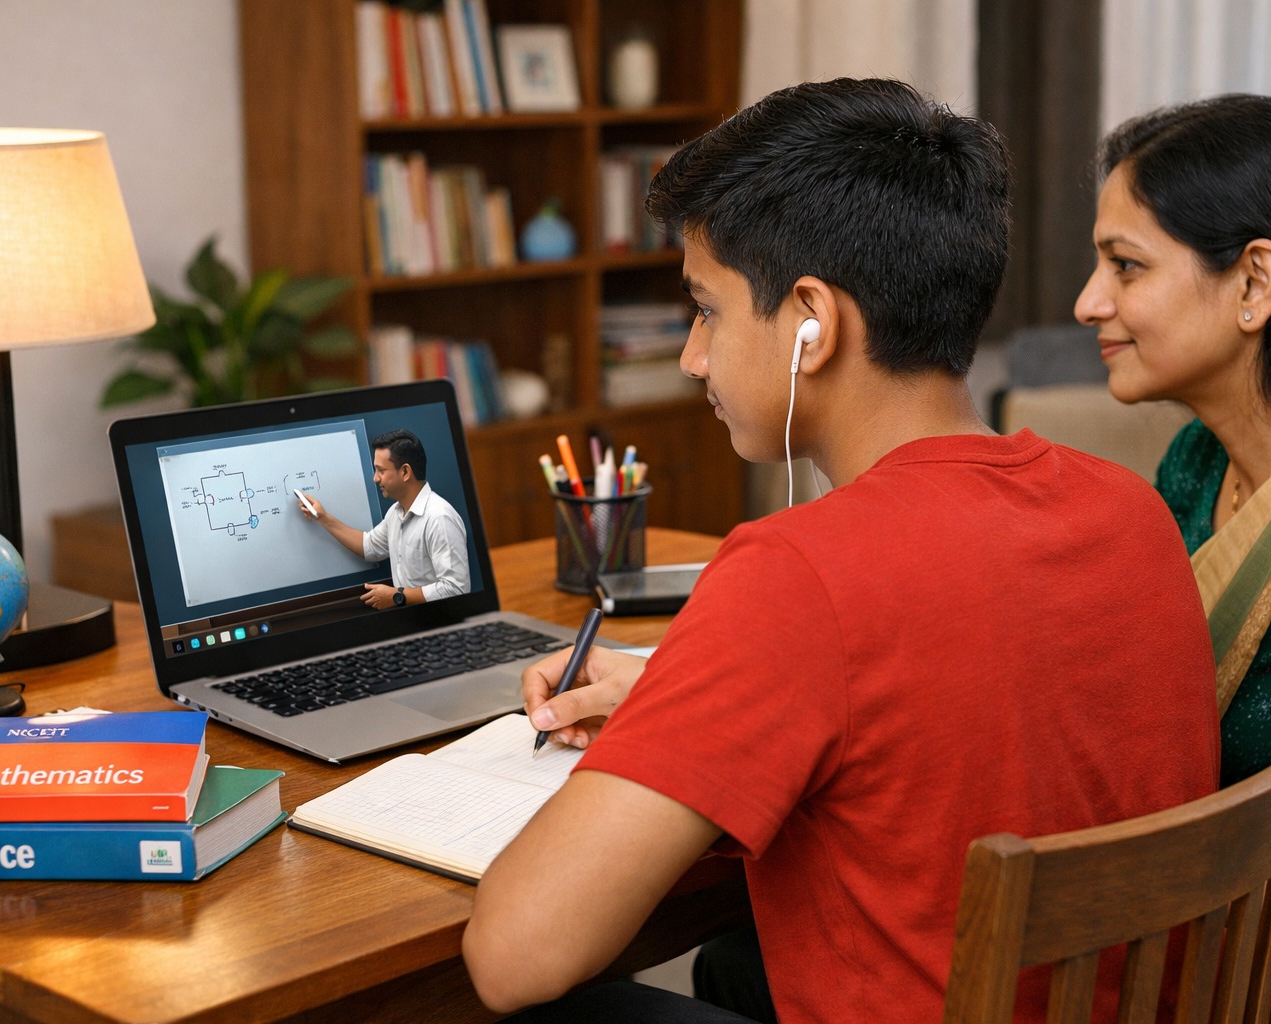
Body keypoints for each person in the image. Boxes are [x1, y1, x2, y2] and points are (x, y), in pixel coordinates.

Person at [460, 78, 1220, 1024]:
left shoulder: (797, 574)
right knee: (730, 966)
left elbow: (512, 956)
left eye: (707, 310)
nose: (694, 357)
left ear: (811, 323)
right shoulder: (1131, 510)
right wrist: (683, 699)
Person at [1073, 94, 1271, 1021]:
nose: (1089, 302)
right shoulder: (1199, 464)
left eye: (1125, 265)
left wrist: (1122, 895)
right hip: (1219, 920)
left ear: (1256, 281)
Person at [300, 428, 469, 608]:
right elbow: (369, 547)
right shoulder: (396, 513)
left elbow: (456, 589)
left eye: (381, 470)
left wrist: (397, 595)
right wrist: (323, 518)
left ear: (405, 472)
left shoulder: (439, 518)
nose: (375, 478)